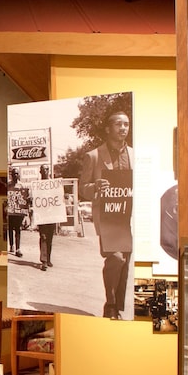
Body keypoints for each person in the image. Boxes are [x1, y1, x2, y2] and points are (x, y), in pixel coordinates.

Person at [79, 109, 135, 319]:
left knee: (125, 262)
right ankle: (110, 304)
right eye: (118, 124)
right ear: (108, 128)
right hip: (108, 216)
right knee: (116, 258)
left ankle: (116, 308)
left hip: (129, 216)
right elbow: (83, 188)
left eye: (126, 124)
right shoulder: (93, 156)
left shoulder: (135, 154)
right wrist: (95, 187)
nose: (123, 128)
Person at [5, 167, 29, 257]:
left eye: (16, 174)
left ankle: (18, 248)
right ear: (11, 175)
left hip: (19, 212)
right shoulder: (8, 185)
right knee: (10, 228)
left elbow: (25, 199)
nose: (15, 175)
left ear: (18, 175)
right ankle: (11, 245)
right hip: (11, 211)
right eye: (13, 174)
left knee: (18, 229)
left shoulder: (22, 186)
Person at [37, 164, 56, 271]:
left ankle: (48, 258)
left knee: (49, 238)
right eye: (43, 169)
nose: (45, 171)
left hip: (52, 215)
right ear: (40, 171)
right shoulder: (37, 185)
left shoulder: (53, 184)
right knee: (43, 237)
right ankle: (43, 260)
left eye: (47, 169)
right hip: (42, 215)